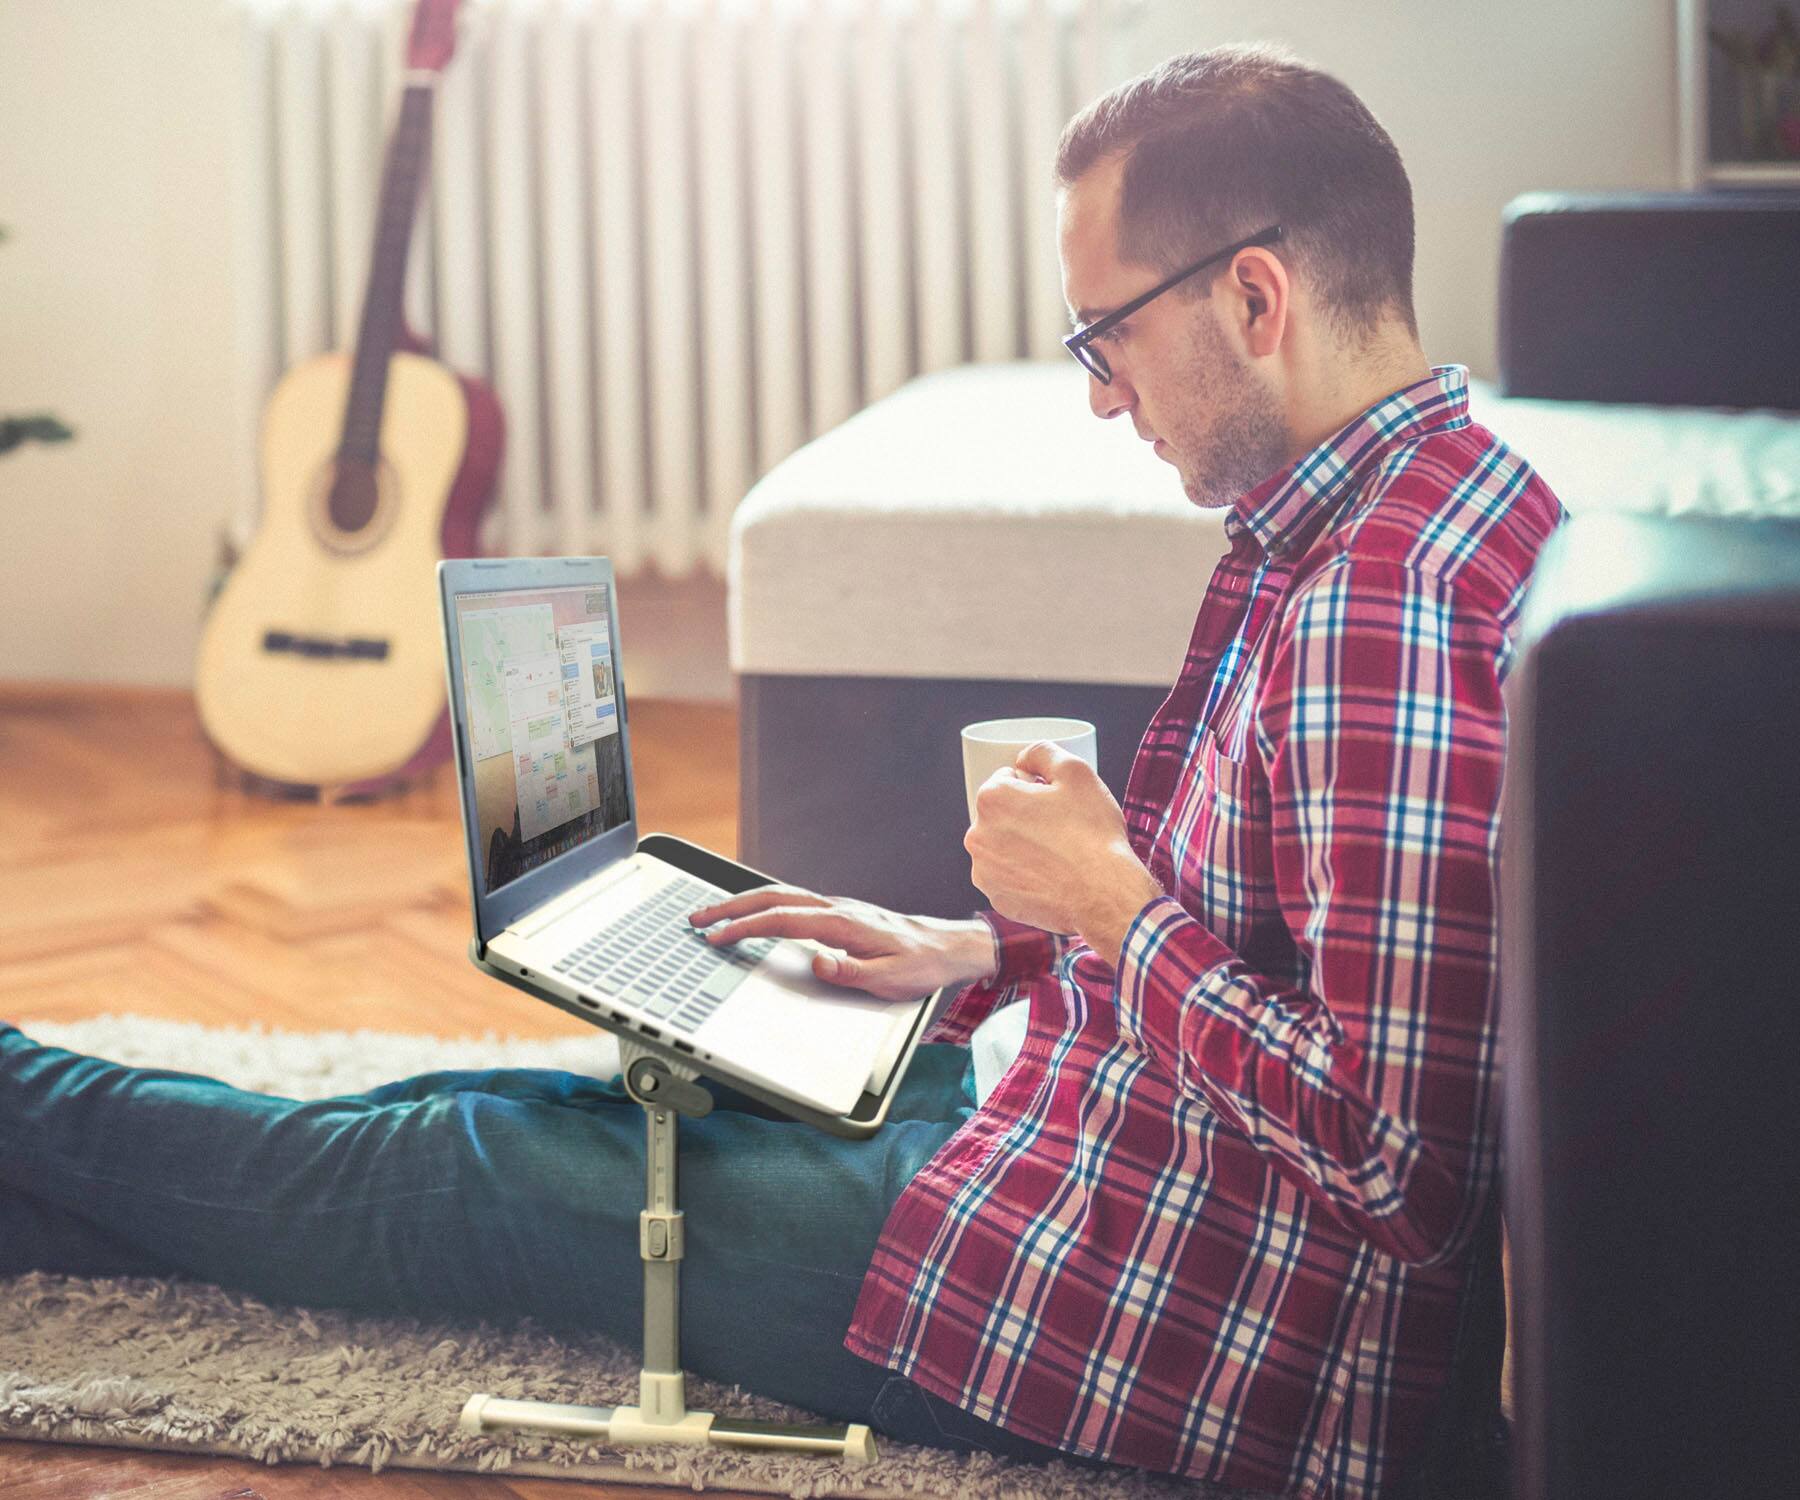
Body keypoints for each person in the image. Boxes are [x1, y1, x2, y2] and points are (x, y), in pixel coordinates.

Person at [0, 43, 1563, 1500]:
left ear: (1255, 298)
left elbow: (1398, 1169)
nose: (1099, 392)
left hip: (1161, 1290)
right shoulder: (1411, 508)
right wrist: (980, 951)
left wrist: (1111, 899)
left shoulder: (1387, 611)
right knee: (574, 1097)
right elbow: (1279, 939)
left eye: (1108, 336)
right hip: (1105, 1130)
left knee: (482, 1168)